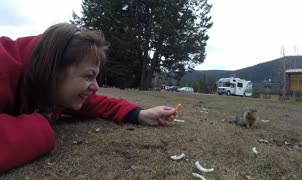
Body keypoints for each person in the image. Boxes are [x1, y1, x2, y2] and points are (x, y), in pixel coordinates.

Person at [0, 23, 177, 172]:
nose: (96, 87)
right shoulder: (5, 66)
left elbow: (98, 104)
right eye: (87, 76)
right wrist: (40, 126)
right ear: (53, 70)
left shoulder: (55, 89)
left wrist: (140, 114)